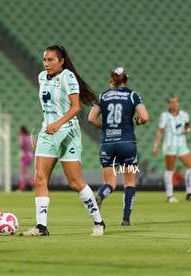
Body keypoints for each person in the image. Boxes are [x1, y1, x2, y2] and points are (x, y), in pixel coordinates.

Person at [19, 45, 105, 236]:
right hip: (48, 133)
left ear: (61, 61)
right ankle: (41, 227)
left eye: (51, 60)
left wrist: (58, 124)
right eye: (44, 60)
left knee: (75, 182)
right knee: (40, 179)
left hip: (67, 132)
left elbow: (76, 108)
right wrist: (48, 129)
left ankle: (99, 222)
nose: (46, 64)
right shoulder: (42, 77)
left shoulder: (68, 77)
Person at [88, 67, 149, 226]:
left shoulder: (103, 95)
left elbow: (91, 118)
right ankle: (126, 219)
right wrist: (138, 121)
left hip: (107, 143)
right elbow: (144, 117)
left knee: (110, 183)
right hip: (127, 143)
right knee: (129, 183)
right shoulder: (132, 95)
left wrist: (105, 128)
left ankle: (101, 195)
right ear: (126, 80)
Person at [153, 95, 191, 202]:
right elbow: (160, 131)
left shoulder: (184, 115)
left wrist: (187, 130)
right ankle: (169, 195)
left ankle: (190, 193)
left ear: (178, 103)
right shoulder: (165, 116)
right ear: (169, 104)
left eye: (176, 102)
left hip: (182, 144)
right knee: (170, 170)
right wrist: (156, 146)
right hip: (170, 145)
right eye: (172, 102)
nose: (174, 104)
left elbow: (187, 126)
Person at [18, 126, 34, 190]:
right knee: (25, 172)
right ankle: (33, 184)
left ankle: (22, 187)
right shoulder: (29, 137)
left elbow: (21, 145)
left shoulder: (21, 136)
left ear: (22, 131)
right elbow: (33, 146)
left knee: (23, 172)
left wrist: (20, 148)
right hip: (30, 155)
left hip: (25, 155)